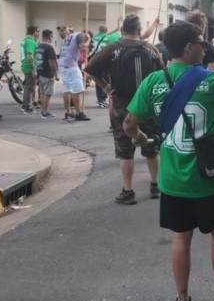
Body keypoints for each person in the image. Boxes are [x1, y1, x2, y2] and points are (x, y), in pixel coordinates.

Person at [124, 21, 214, 301]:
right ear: (189, 47)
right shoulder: (211, 80)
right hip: (209, 176)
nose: (205, 45)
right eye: (201, 41)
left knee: (181, 239)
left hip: (172, 179)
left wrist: (142, 140)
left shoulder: (153, 82)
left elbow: (130, 123)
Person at [85, 15, 165, 205]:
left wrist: (105, 87)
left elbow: (89, 68)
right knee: (152, 149)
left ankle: (128, 191)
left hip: (122, 106)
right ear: (139, 30)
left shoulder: (113, 48)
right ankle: (156, 186)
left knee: (125, 151)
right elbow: (162, 74)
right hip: (148, 107)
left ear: (122, 30)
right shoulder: (151, 49)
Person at [58, 26, 91, 121]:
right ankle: (79, 113)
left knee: (67, 90)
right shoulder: (79, 36)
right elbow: (83, 47)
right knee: (77, 90)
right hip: (72, 66)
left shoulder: (65, 40)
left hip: (63, 66)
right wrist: (89, 40)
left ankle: (68, 112)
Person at [90, 18, 122, 108]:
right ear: (106, 30)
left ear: (99, 30)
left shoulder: (95, 37)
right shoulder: (110, 37)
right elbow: (115, 36)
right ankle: (103, 98)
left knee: (98, 80)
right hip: (106, 61)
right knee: (106, 79)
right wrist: (118, 27)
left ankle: (100, 99)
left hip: (96, 60)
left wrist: (117, 27)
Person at [35, 29, 59, 119]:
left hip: (40, 71)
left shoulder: (39, 46)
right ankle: (45, 112)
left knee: (42, 92)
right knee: (47, 93)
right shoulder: (49, 47)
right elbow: (52, 62)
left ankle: (43, 110)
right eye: (52, 36)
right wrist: (56, 74)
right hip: (48, 73)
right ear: (50, 36)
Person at [20, 25, 39, 113]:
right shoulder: (30, 42)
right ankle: (28, 106)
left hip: (25, 65)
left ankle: (25, 105)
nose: (38, 33)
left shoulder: (25, 40)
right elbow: (30, 56)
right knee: (30, 87)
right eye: (38, 31)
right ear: (34, 32)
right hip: (29, 66)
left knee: (27, 86)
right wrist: (33, 69)